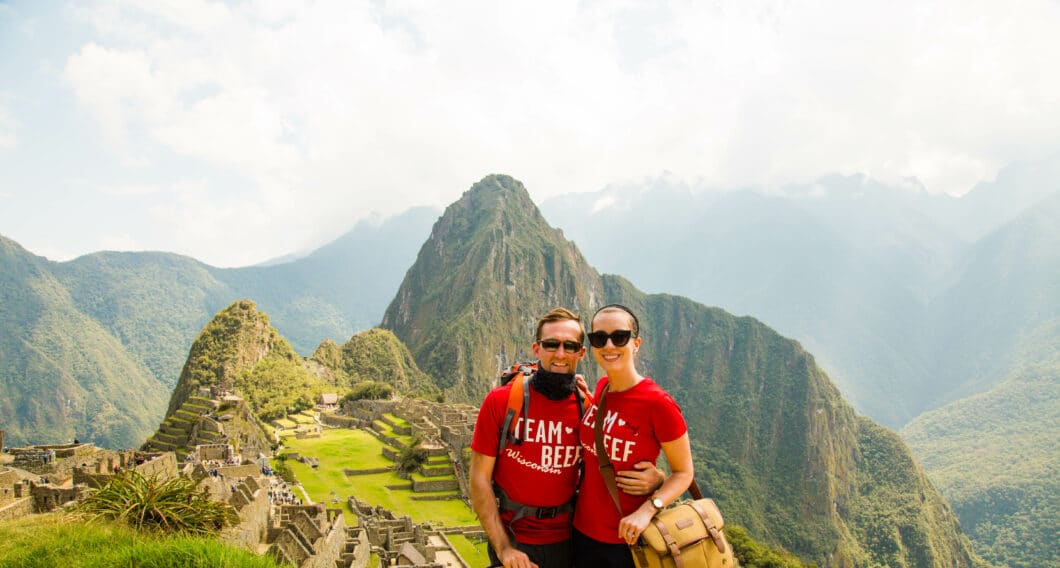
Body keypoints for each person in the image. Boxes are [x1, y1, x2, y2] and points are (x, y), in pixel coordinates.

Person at [470, 307, 663, 568]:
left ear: (581, 353)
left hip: (572, 541)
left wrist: (658, 480)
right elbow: (479, 479)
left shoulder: (588, 408)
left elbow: (608, 462)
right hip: (516, 537)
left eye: (570, 346)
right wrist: (504, 549)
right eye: (551, 344)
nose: (560, 354)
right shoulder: (501, 402)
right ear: (536, 349)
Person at [573, 304, 695, 567]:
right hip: (582, 533)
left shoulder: (659, 404)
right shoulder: (603, 388)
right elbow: (610, 428)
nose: (608, 345)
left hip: (629, 541)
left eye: (619, 337)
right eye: (599, 338)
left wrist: (649, 507)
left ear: (636, 343)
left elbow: (684, 473)